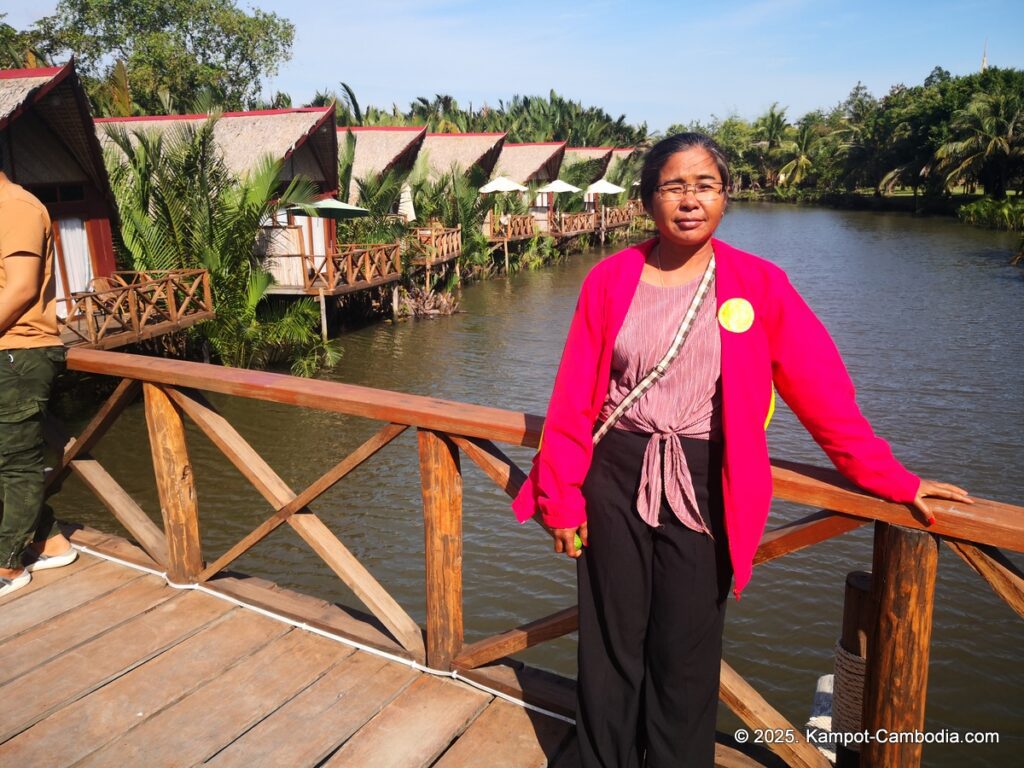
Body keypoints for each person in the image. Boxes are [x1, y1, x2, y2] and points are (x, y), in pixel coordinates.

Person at [511, 133, 971, 767]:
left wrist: (892, 479)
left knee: (686, 652)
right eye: (673, 186)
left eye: (705, 185)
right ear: (649, 199)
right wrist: (560, 501)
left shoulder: (759, 284)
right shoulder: (610, 279)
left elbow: (824, 397)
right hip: (615, 474)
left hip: (707, 484)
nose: (690, 200)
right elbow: (572, 402)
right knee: (611, 643)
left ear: (726, 198)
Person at [0, 169, 75, 597]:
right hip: (7, 351)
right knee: (8, 457)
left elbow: (23, 288)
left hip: (19, 353)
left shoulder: (16, 207)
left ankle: (8, 564)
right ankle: (51, 542)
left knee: (17, 463)